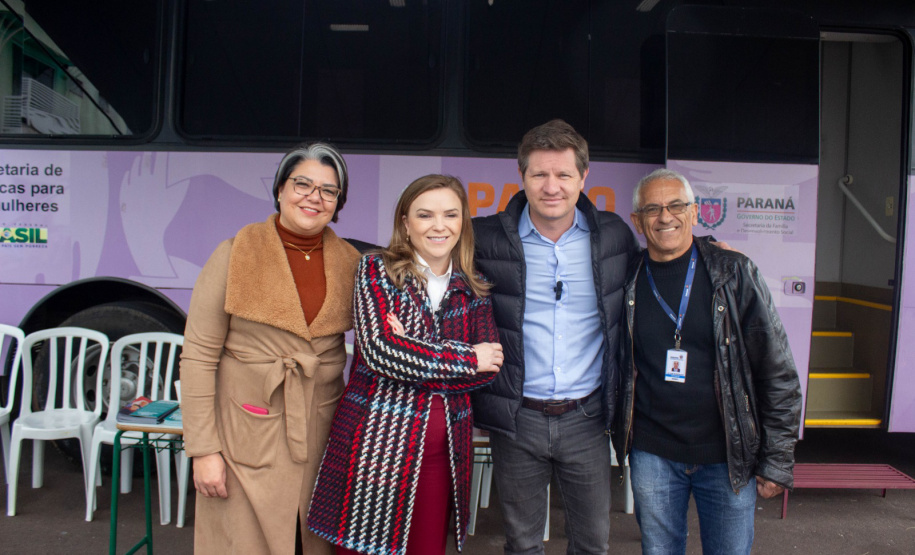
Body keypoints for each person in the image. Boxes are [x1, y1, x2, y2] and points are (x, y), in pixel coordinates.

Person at [180, 143, 361, 554]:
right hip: (243, 439)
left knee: (311, 544)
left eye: (328, 191)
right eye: (302, 184)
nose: (314, 197)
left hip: (322, 438)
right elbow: (198, 358)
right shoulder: (233, 253)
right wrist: (204, 451)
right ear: (280, 189)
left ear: (338, 203)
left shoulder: (353, 263)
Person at [308, 174, 503, 555]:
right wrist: (466, 356)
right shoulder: (376, 271)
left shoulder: (473, 284)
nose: (439, 225)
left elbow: (490, 368)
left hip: (443, 453)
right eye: (425, 215)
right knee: (361, 549)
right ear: (405, 223)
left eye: (450, 214)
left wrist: (412, 348)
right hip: (375, 447)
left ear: (463, 222)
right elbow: (381, 353)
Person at [472, 119, 639, 554]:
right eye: (539, 174)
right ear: (522, 176)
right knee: (523, 545)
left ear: (584, 177)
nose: (552, 186)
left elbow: (662, 266)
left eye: (564, 175)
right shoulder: (484, 238)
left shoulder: (614, 236)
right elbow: (421, 251)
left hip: (586, 418)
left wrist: (711, 248)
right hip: (517, 419)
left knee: (592, 545)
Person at [614, 168, 802, 554]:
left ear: (695, 212)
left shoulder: (733, 272)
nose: (665, 216)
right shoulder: (626, 277)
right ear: (637, 221)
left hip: (726, 456)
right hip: (653, 454)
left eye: (676, 205)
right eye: (652, 208)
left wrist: (777, 460)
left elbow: (778, 372)